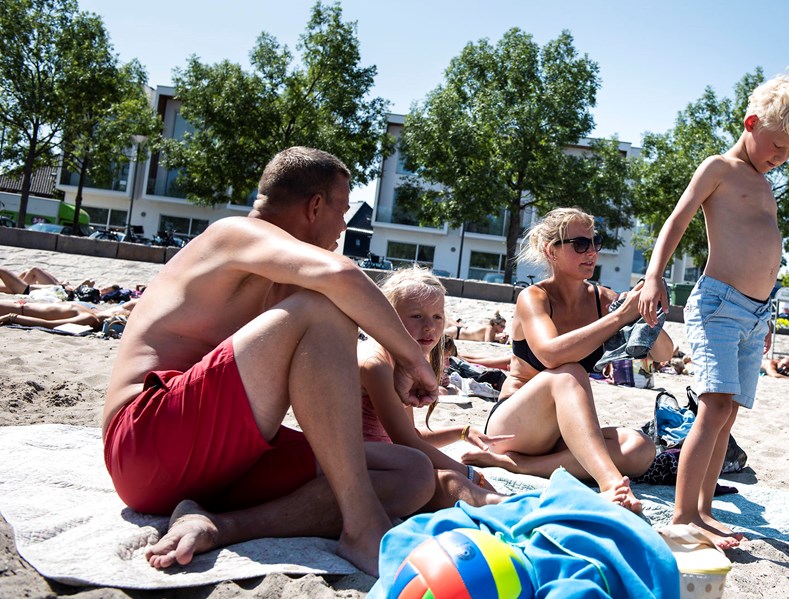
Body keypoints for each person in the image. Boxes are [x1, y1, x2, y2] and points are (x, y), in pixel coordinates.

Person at [102, 147, 440, 576]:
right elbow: (340, 277)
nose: (346, 224)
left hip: (220, 462)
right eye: (343, 209)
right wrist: (411, 359)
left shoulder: (281, 279)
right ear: (315, 206)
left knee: (411, 473)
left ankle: (218, 525)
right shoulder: (233, 234)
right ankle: (363, 527)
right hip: (146, 443)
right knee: (326, 303)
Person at [637, 74, 789, 550]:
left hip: (755, 313)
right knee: (713, 404)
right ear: (751, 123)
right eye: (778, 146)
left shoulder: (764, 185)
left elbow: (763, 249)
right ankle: (681, 516)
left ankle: (703, 509)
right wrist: (655, 275)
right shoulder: (719, 168)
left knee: (729, 414)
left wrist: (766, 314)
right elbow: (677, 219)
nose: (781, 158)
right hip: (718, 303)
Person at [466, 207, 673, 514]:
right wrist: (619, 317)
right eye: (580, 244)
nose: (591, 252)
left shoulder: (601, 299)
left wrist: (650, 311)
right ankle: (611, 485)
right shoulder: (534, 297)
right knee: (570, 372)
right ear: (552, 251)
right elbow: (551, 354)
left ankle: (521, 466)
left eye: (595, 241)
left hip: (561, 434)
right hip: (517, 424)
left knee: (641, 447)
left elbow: (664, 355)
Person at [359, 267, 509, 510]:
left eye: (437, 317)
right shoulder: (376, 364)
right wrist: (474, 476)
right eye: (416, 316)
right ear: (388, 317)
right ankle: (509, 509)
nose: (429, 326)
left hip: (387, 463)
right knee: (453, 482)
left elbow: (411, 436)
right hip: (360, 469)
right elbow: (406, 442)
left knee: (451, 479)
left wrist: (462, 431)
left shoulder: (398, 362)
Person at [1, 298, 136, 330]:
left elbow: (48, 324)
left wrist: (13, 317)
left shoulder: (89, 318)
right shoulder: (95, 312)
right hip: (21, 305)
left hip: (18, 309)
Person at [0, 266, 64, 295]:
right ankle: (13, 287)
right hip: (29, 289)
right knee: (28, 271)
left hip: (28, 290)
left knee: (34, 270)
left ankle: (13, 287)